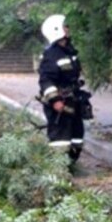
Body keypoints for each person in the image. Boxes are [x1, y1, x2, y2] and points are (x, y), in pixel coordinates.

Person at [38, 14, 89, 162]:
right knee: (60, 139)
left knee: (77, 136)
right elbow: (46, 79)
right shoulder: (51, 55)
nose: (67, 28)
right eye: (64, 26)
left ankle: (72, 165)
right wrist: (55, 100)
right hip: (60, 104)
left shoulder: (69, 51)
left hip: (73, 100)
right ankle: (59, 170)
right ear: (57, 30)